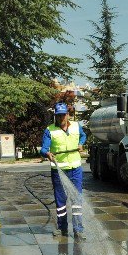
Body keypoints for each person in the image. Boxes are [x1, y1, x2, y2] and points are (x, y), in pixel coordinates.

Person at [40, 102, 87, 239]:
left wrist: (81, 144)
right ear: (55, 116)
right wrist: (47, 154)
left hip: (75, 169)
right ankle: (62, 228)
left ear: (67, 115)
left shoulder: (77, 127)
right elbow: (44, 148)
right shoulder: (49, 130)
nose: (61, 118)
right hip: (59, 170)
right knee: (61, 201)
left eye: (63, 115)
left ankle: (78, 230)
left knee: (76, 199)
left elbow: (83, 136)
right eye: (58, 116)